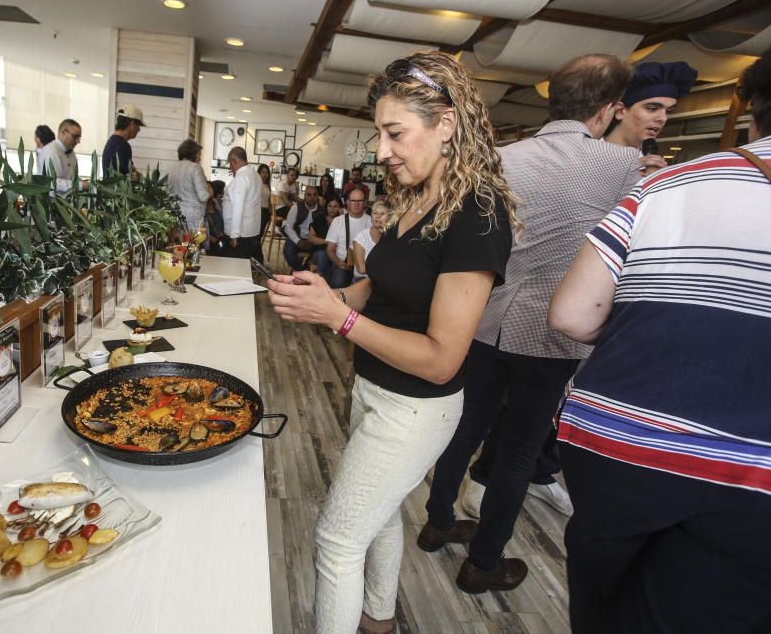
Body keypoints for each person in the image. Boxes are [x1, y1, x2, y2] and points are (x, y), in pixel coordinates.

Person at [268, 51, 517, 634]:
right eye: (380, 132)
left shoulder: (478, 214)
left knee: (335, 538)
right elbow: (379, 289)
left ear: (447, 125)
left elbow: (441, 360)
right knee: (376, 518)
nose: (381, 150)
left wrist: (339, 320)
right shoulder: (418, 198)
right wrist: (329, 298)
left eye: (394, 132)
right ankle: (379, 621)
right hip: (374, 389)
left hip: (415, 409)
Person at [547, 49, 771, 634]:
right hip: (748, 472)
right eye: (652, 107)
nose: (660, 120)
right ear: (614, 109)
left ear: (751, 113)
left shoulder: (668, 183)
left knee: (600, 597)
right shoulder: (630, 170)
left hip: (616, 432)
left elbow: (573, 312)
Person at [417, 53, 645, 595]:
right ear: (612, 109)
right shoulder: (622, 165)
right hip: (551, 332)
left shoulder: (498, 157)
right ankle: (484, 562)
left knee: (464, 429)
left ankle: (438, 522)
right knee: (519, 450)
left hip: (486, 316)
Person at [605, 61, 697, 176]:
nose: (663, 118)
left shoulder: (655, 170)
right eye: (652, 108)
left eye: (668, 111)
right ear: (620, 111)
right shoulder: (582, 155)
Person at [321, 187, 371, 288]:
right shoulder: (338, 221)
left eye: (360, 201)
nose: (356, 204)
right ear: (347, 202)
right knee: (338, 285)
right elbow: (330, 249)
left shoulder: (371, 221)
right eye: (353, 201)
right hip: (343, 266)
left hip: (365, 267)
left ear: (365, 203)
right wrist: (339, 263)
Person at [222, 146, 263, 262]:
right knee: (245, 267)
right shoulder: (256, 175)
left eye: (230, 164)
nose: (231, 168)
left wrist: (234, 235)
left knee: (235, 268)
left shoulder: (241, 178)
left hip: (240, 233)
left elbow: (237, 207)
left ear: (234, 161)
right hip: (252, 231)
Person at [169, 139, 210, 233]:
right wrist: (210, 192)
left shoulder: (171, 168)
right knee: (191, 245)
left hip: (175, 215)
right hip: (192, 218)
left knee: (177, 245)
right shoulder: (195, 168)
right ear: (193, 153)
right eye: (199, 154)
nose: (200, 158)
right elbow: (203, 196)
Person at [39, 119, 87, 194]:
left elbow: (71, 178)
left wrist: (84, 183)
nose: (78, 141)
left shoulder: (71, 153)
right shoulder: (50, 151)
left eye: (79, 137)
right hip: (51, 203)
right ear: (63, 133)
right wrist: (81, 185)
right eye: (75, 137)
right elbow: (52, 182)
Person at [283, 185, 324, 272]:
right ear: (304, 196)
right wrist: (298, 241)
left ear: (318, 196)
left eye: (314, 194)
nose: (312, 197)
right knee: (288, 251)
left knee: (321, 254)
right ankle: (302, 271)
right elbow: (288, 227)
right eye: (309, 195)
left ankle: (306, 269)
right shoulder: (296, 207)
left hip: (313, 241)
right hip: (297, 238)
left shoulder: (322, 211)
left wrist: (313, 241)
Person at [102, 104, 144, 178]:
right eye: (139, 126)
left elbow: (130, 170)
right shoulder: (123, 146)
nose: (139, 130)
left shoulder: (112, 141)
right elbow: (129, 178)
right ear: (132, 124)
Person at [351, 200, 387, 281]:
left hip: (383, 279)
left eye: (382, 214)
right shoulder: (361, 237)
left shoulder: (390, 236)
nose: (378, 216)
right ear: (371, 216)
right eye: (375, 213)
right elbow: (361, 269)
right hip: (363, 279)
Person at [204, 180, 227, 255]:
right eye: (206, 187)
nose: (208, 189)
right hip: (209, 243)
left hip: (220, 240)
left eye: (209, 187)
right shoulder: (201, 207)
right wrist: (211, 238)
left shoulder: (216, 204)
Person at [257, 163, 273, 237]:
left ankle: (257, 247)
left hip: (265, 212)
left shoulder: (267, 185)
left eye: (267, 172)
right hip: (257, 211)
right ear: (259, 173)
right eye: (263, 172)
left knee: (260, 234)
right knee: (256, 233)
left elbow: (269, 201)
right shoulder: (255, 184)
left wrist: (271, 213)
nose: (265, 174)